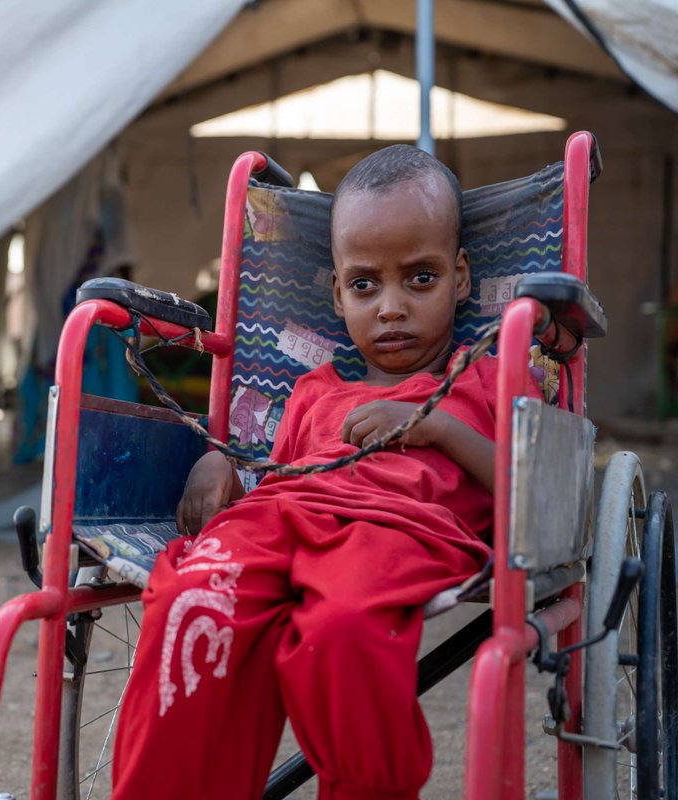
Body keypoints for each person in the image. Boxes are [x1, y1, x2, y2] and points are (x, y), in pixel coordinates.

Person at [111, 145, 514, 800]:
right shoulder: (312, 390)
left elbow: (530, 488)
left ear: (461, 277)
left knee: (340, 631)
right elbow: (276, 480)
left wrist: (434, 425)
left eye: (420, 278)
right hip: (282, 526)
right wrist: (221, 463)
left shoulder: (481, 377)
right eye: (365, 284)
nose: (390, 307)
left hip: (390, 538)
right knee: (194, 598)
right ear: (336, 292)